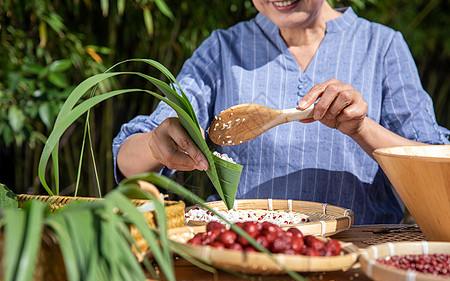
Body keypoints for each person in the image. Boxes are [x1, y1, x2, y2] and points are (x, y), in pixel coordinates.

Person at [113, 0, 449, 225]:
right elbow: (129, 160)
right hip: (242, 254)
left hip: (356, 259)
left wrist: (361, 127)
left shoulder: (382, 46)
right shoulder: (222, 50)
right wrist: (157, 146)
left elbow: (437, 172)